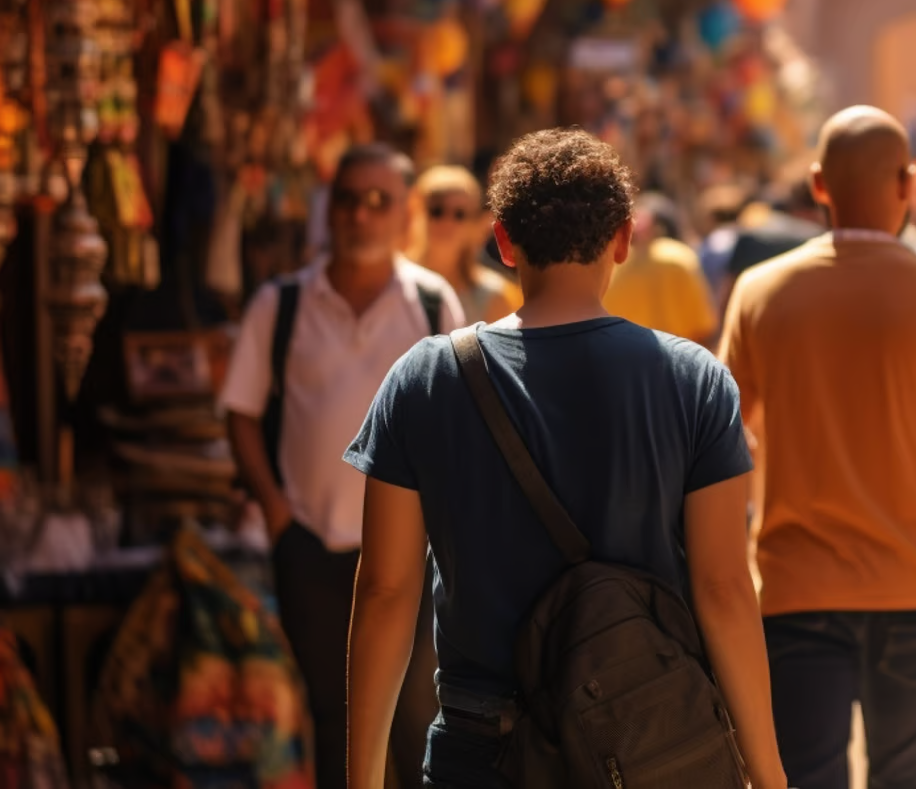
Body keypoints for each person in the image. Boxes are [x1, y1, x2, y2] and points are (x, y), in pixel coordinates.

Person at [341, 128, 784, 789]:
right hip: (645, 748)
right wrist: (768, 774)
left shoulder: (426, 379)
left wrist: (362, 779)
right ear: (624, 239)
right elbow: (723, 590)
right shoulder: (695, 381)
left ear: (503, 241)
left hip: (481, 750)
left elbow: (385, 590)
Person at [719, 106, 916, 789]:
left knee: (805, 776)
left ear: (819, 183)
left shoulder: (760, 293)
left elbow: (723, 446)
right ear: (908, 183)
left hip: (795, 588)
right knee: (905, 777)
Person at [221, 143, 462, 789]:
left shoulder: (433, 304)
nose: (361, 214)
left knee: (417, 720)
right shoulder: (280, 305)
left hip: (413, 557)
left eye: (379, 201)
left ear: (405, 213)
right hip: (312, 549)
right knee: (335, 722)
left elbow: (457, 421)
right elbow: (240, 411)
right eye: (349, 200)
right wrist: (277, 514)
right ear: (329, 210)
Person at [409, 164, 522, 326]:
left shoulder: (495, 296)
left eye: (459, 214)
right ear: (417, 213)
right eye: (436, 211)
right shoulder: (392, 282)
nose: (447, 222)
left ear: (474, 223)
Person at [602, 194, 719, 343]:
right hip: (679, 351)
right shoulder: (681, 257)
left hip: (625, 350)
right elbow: (704, 325)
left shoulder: (616, 263)